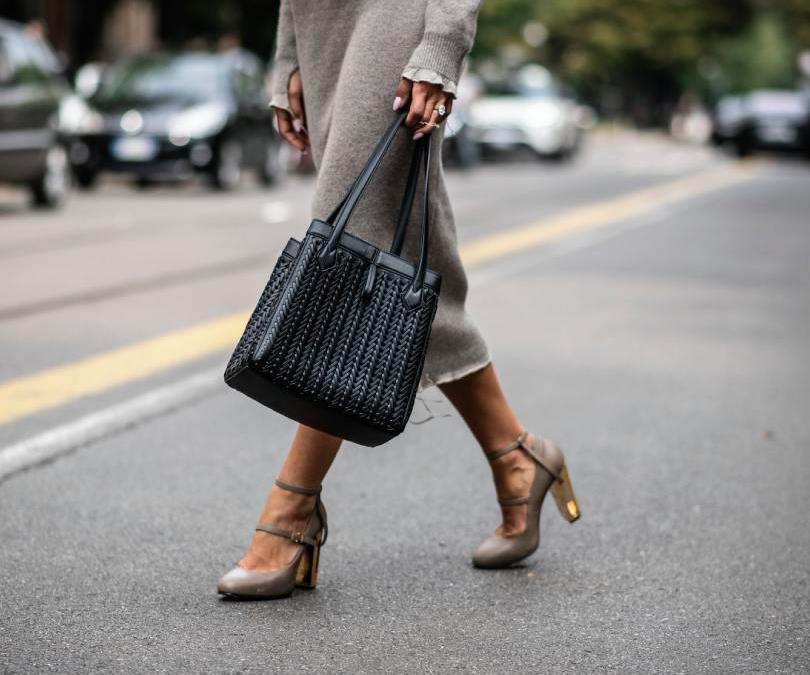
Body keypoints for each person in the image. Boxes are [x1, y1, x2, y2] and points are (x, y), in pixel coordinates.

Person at [217, 0, 582, 599]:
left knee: (355, 245)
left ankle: (291, 511)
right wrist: (288, 49)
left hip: (393, 21)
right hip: (323, 25)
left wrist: (442, 43)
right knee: (402, 257)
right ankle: (518, 457)